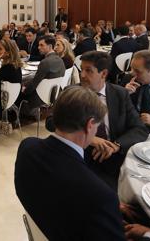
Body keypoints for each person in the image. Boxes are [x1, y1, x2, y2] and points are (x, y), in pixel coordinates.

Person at [15, 86, 126, 241]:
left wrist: (106, 211)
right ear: (89, 125)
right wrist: (149, 235)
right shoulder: (101, 196)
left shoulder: (27, 147)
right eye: (97, 126)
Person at [74, 51, 148, 189]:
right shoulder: (72, 92)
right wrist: (90, 139)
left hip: (114, 157)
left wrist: (116, 145)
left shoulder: (120, 94)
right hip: (81, 155)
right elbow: (52, 122)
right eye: (81, 70)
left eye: (88, 71)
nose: (82, 75)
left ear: (103, 74)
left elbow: (139, 128)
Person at [19, 35, 65, 110]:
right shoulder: (60, 60)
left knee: (19, 91)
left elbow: (34, 83)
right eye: (38, 45)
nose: (38, 47)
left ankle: (14, 117)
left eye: (41, 45)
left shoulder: (45, 62)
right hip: (53, 95)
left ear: (50, 46)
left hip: (40, 97)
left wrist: (24, 90)